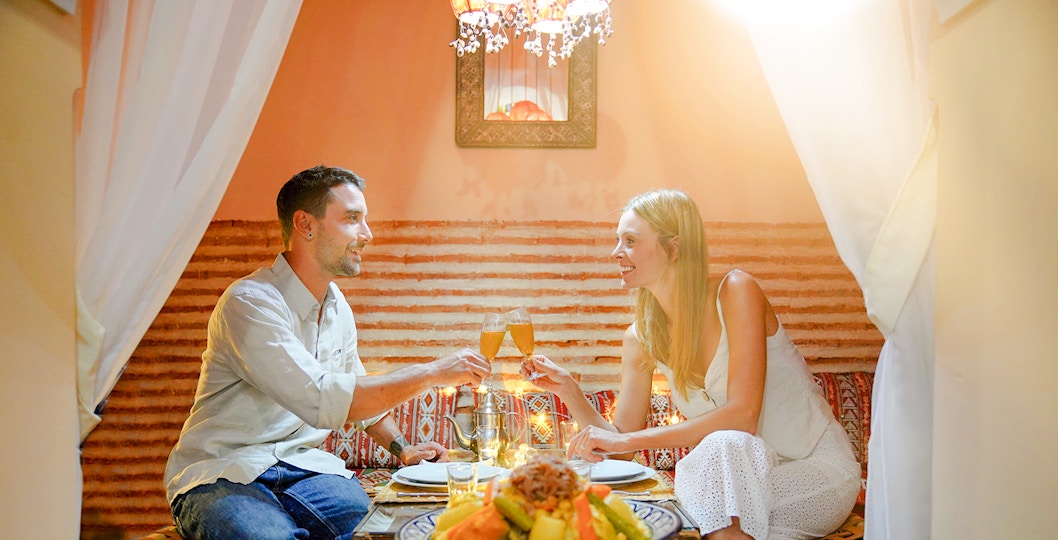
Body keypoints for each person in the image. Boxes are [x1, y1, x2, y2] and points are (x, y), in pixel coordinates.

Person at [164, 166, 491, 540]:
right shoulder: (249, 303)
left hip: (305, 468)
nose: (367, 234)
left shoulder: (337, 307)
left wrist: (404, 449)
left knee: (381, 531)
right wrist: (433, 372)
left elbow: (360, 395)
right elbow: (324, 398)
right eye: (353, 219)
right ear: (306, 225)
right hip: (225, 471)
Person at [522, 189, 861, 539]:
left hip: (812, 473)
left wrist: (629, 443)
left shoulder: (736, 291)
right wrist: (569, 390)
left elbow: (743, 417)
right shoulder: (640, 338)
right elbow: (620, 449)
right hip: (735, 480)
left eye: (630, 240)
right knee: (712, 467)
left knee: (723, 445)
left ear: (674, 248)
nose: (616, 252)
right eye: (617, 240)